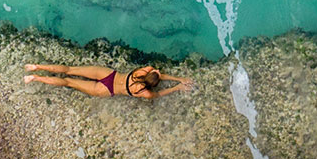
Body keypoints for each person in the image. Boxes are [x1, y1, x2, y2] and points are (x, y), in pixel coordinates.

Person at [22, 63, 193, 99]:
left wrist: (178, 80)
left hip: (109, 75)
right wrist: (177, 85)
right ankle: (36, 78)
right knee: (68, 82)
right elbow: (159, 93)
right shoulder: (144, 92)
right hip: (106, 90)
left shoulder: (143, 71)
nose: (158, 71)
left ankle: (36, 67)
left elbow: (158, 75)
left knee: (69, 70)